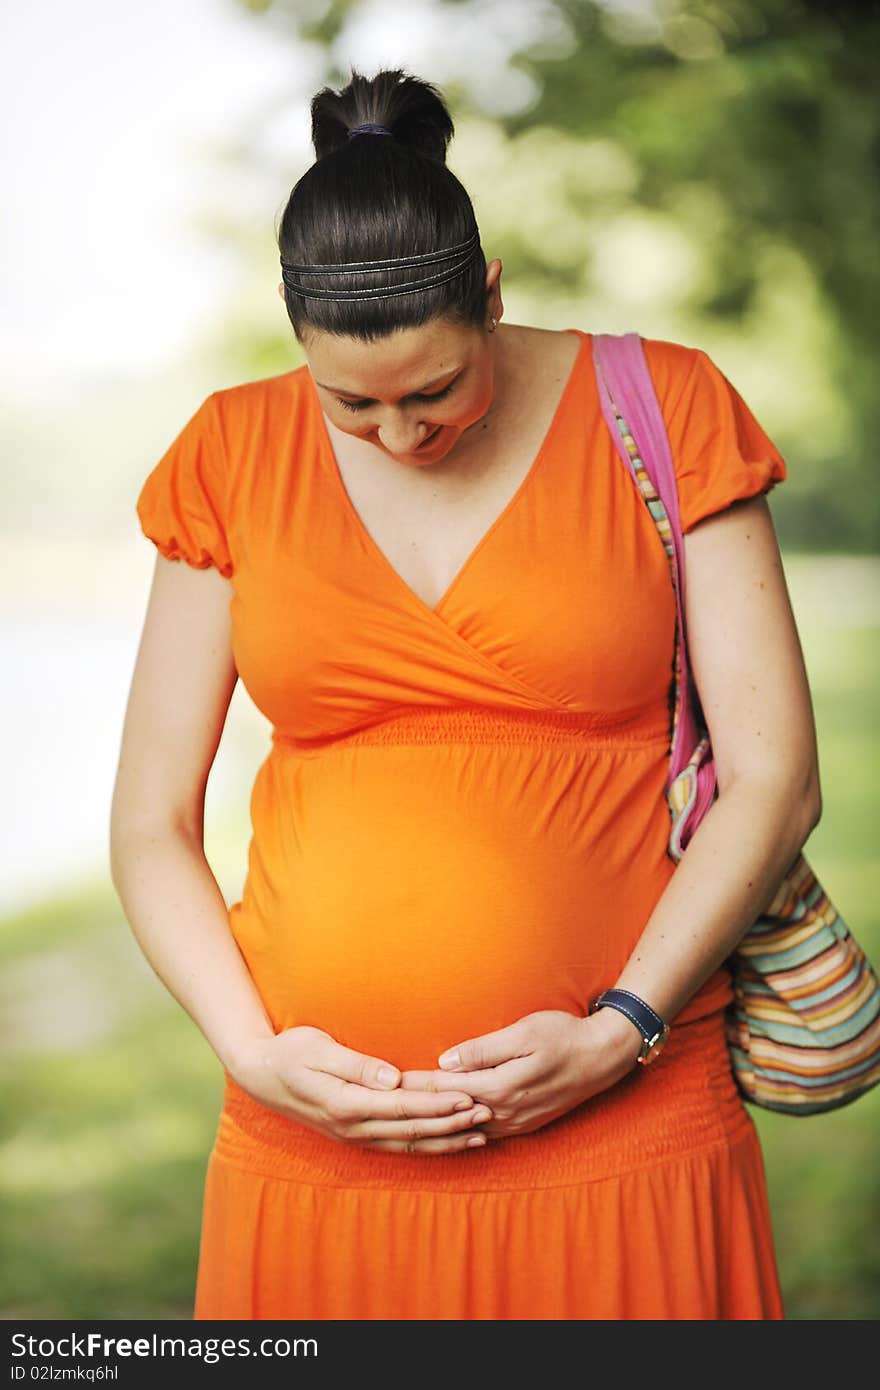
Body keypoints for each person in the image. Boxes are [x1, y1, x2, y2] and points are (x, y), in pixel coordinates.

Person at [110, 66, 822, 1321]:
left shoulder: (665, 405)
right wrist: (254, 1055)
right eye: (351, 405)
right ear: (296, 335)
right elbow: (152, 823)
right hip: (322, 1140)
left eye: (433, 390)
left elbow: (775, 779)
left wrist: (620, 1026)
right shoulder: (227, 449)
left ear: (488, 295)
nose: (400, 434)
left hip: (628, 1125)